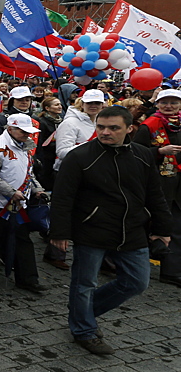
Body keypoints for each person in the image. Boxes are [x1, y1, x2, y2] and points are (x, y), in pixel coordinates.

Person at [50, 106, 172, 355]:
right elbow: (63, 197)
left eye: (113, 128)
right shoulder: (79, 156)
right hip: (91, 229)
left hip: (132, 228)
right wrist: (59, 232)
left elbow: (154, 194)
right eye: (101, 127)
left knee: (137, 281)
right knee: (84, 283)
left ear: (129, 129)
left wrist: (162, 228)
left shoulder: (142, 155)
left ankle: (83, 313)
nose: (105, 132)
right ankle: (83, 329)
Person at [0, 114, 48, 291]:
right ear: (11, 129)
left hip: (19, 203)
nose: (27, 135)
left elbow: (29, 172)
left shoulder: (26, 146)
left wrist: (37, 189)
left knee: (22, 239)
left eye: (29, 132)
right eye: (23, 131)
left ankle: (28, 278)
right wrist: (11, 192)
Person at [47, 89, 106, 269]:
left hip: (94, 174)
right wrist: (93, 146)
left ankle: (103, 257)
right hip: (69, 174)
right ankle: (55, 253)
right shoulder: (70, 122)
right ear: (83, 103)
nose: (94, 106)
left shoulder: (103, 122)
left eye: (97, 103)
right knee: (64, 213)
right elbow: (62, 152)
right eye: (90, 103)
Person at [131, 88, 181, 288]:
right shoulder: (149, 125)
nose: (169, 106)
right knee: (149, 225)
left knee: (176, 227)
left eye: (174, 102)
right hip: (157, 184)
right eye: (165, 102)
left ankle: (172, 270)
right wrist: (159, 151)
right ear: (158, 104)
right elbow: (135, 154)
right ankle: (134, 265)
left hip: (178, 185)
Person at [33, 96, 63, 192]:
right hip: (46, 159)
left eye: (60, 104)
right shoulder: (42, 122)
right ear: (47, 108)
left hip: (57, 158)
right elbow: (41, 143)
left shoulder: (61, 121)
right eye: (56, 105)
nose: (60, 107)